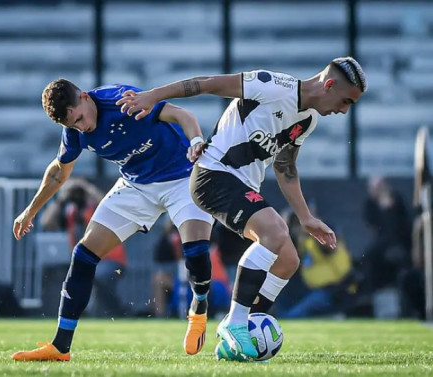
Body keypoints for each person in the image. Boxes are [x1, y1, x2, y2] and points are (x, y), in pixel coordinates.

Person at [117, 56, 367, 359]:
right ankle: (234, 323)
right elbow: (207, 84)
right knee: (274, 232)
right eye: (346, 101)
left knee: (288, 260)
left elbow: (285, 166)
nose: (343, 110)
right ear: (329, 85)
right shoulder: (271, 85)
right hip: (213, 176)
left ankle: (238, 338)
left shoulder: (308, 119)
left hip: (241, 188)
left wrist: (306, 217)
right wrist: (152, 96)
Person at [11, 80, 214, 361]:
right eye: (73, 125)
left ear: (85, 97)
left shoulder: (122, 101)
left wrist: (196, 142)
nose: (81, 127)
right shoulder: (74, 131)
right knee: (83, 254)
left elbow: (183, 115)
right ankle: (60, 347)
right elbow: (59, 172)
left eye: (80, 118)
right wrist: (29, 211)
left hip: (182, 177)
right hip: (136, 186)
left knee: (196, 252)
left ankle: (199, 307)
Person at [41, 177, 129, 318]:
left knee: (96, 275)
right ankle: (73, 312)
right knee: (67, 275)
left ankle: (118, 311)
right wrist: (61, 199)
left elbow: (109, 204)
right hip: (84, 258)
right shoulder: (70, 211)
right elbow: (47, 222)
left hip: (110, 259)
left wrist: (87, 188)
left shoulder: (97, 207)